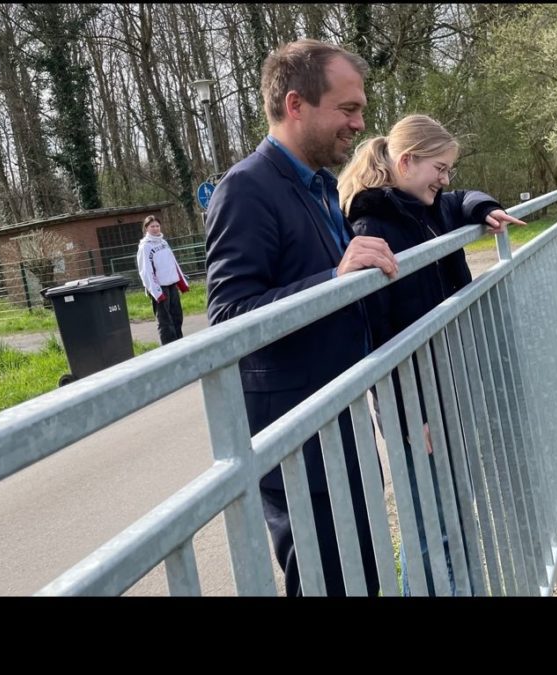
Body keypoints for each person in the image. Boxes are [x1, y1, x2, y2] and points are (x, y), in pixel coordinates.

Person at [204, 39, 399, 597]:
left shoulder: (317, 186)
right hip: (297, 443)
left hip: (341, 421)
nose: (360, 124)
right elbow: (228, 319)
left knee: (364, 576)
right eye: (347, 109)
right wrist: (334, 281)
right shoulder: (245, 189)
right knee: (327, 584)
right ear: (295, 105)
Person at [337, 113, 525, 595]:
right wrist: (406, 416)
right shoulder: (373, 224)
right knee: (429, 524)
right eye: (439, 169)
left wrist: (486, 207)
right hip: (412, 403)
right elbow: (378, 335)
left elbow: (463, 200)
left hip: (443, 382)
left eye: (449, 171)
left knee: (453, 510)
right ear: (406, 162)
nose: (445, 180)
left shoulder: (428, 205)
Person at [136, 214, 190, 345]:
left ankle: (179, 343)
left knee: (177, 316)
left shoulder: (164, 243)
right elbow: (146, 271)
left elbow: (173, 263)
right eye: (152, 226)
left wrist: (181, 282)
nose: (155, 228)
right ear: (146, 229)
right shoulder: (145, 247)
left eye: (157, 226)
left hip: (171, 285)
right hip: (159, 288)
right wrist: (156, 291)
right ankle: (169, 347)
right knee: (165, 321)